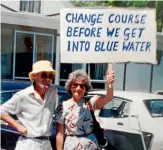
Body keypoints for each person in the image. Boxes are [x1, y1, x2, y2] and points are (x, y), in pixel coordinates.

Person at [0, 60, 58, 150]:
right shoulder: (23, 95)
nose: (47, 79)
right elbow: (2, 111)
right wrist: (17, 126)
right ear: (34, 76)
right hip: (29, 143)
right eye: (44, 75)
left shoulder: (53, 92)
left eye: (50, 76)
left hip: (47, 143)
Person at [55, 69, 115, 150]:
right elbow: (60, 134)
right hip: (71, 146)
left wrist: (110, 84)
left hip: (90, 146)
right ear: (70, 86)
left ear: (86, 88)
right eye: (75, 85)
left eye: (82, 86)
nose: (78, 88)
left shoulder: (91, 103)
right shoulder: (62, 107)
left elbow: (109, 97)